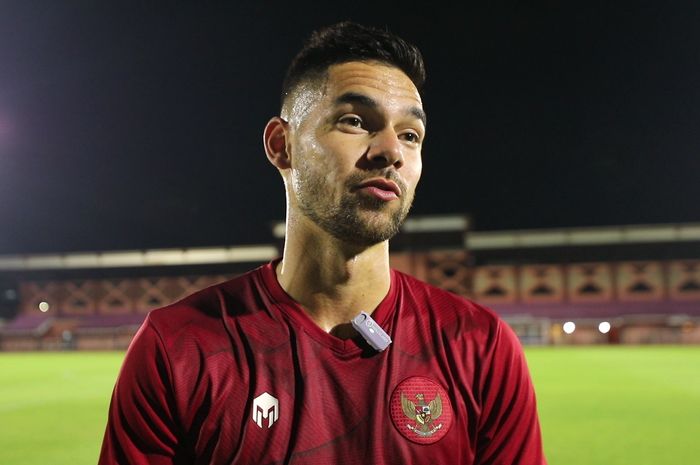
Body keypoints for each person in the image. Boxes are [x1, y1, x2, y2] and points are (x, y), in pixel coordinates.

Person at [99, 21, 547, 464]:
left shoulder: (481, 347)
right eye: (355, 121)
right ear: (282, 145)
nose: (391, 150)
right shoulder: (178, 347)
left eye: (411, 135)